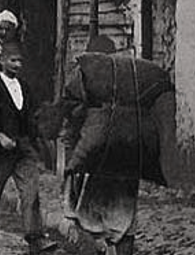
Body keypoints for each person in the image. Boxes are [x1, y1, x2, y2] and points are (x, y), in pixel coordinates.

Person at [59, 36, 174, 255]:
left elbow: (72, 118)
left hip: (97, 162)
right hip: (127, 158)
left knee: (90, 218)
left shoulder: (87, 77)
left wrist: (71, 157)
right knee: (126, 220)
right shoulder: (130, 82)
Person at [0, 41, 57, 253]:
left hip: (23, 148)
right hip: (1, 152)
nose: (17, 64)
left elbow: (31, 117)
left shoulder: (24, 87)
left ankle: (35, 238)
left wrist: (39, 140)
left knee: (31, 192)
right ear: (2, 61)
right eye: (12, 60)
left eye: (20, 61)